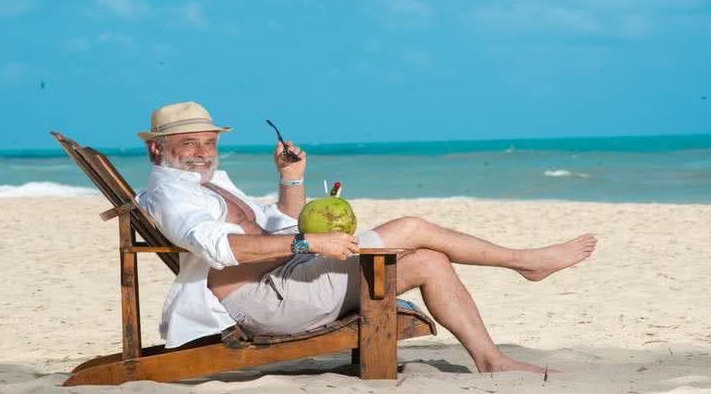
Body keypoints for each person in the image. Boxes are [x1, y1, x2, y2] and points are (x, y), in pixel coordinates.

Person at [137, 101, 597, 374]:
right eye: (188, 145)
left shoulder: (210, 182)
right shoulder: (172, 195)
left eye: (208, 143)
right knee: (410, 228)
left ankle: (491, 360)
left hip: (286, 279)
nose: (202, 153)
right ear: (157, 148)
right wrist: (310, 245)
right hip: (266, 302)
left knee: (430, 260)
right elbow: (218, 247)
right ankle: (526, 262)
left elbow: (281, 223)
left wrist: (292, 179)